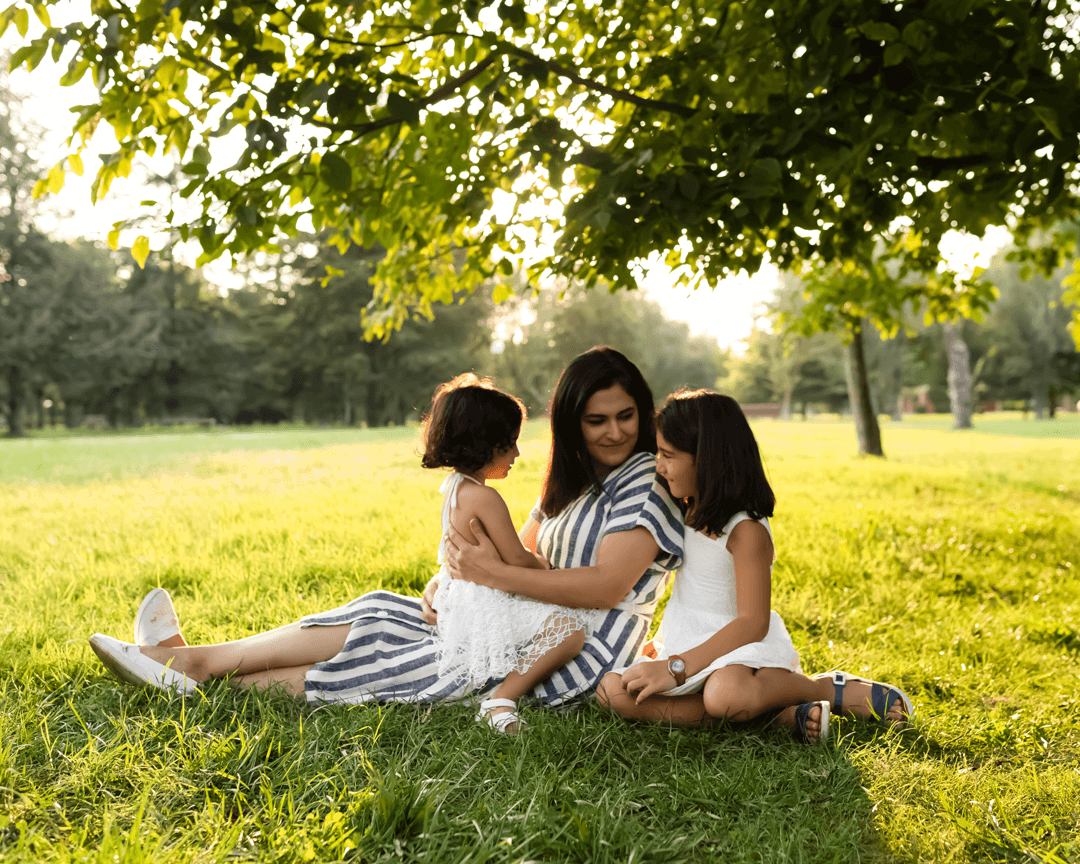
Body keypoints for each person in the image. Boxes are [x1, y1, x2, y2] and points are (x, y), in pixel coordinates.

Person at [88, 347, 684, 718]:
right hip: (515, 609)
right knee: (380, 611)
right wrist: (447, 581)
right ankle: (189, 660)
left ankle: (195, 675)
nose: (612, 433)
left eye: (625, 416)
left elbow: (607, 586)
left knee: (404, 655)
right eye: (595, 419)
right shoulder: (571, 479)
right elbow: (520, 550)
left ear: (643, 411)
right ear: (571, 422)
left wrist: (489, 574)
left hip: (575, 647)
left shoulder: (647, 479)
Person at [594, 390, 914, 743]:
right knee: (612, 692)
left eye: (668, 455)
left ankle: (822, 687)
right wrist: (667, 646)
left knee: (724, 697)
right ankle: (774, 717)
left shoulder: (746, 530)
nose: (660, 466)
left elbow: (753, 622)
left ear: (707, 459)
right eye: (659, 454)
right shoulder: (684, 509)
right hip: (685, 642)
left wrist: (676, 669)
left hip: (739, 649)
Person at [420, 374, 592, 732]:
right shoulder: (485, 497)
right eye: (509, 444)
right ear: (484, 445)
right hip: (479, 603)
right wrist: (543, 565)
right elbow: (515, 559)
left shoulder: (453, 487)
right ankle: (501, 699)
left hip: (457, 599)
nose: (517, 454)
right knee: (569, 630)